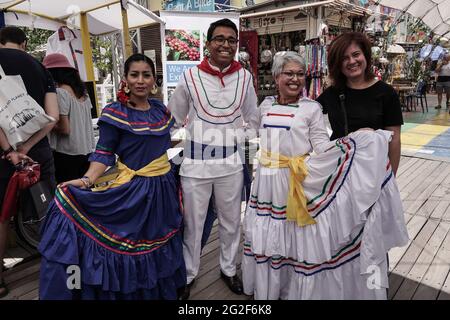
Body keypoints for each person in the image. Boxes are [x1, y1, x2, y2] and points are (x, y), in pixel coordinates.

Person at [241, 51, 409, 299]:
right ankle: (270, 290)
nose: (295, 79)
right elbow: (248, 131)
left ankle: (290, 289)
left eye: (300, 74)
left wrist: (354, 141)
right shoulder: (265, 105)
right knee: (269, 238)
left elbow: (321, 146)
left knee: (294, 238)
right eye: (289, 73)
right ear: (276, 77)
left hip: (295, 182)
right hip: (266, 183)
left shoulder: (312, 108)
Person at [38, 53, 186, 300]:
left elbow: (161, 143)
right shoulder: (116, 113)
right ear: (125, 79)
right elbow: (104, 153)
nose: (140, 80)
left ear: (154, 80)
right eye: (134, 75)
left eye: (146, 75)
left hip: (163, 189)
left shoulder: (160, 110)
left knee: (156, 243)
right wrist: (86, 180)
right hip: (134, 192)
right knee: (129, 247)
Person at [168, 18, 258, 299]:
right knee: (192, 224)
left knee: (232, 221)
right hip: (194, 164)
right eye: (220, 39)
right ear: (208, 44)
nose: (226, 45)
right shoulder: (190, 77)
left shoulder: (245, 77)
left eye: (232, 40)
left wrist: (238, 139)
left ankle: (229, 269)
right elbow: (172, 119)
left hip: (230, 164)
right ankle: (188, 274)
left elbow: (253, 118)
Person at [0, 26, 58, 299]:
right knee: (47, 207)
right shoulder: (40, 66)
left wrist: (13, 149)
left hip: (3, 155)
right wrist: (29, 147)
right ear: (24, 43)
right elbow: (53, 116)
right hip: (39, 151)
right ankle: (57, 265)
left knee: (1, 216)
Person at [316, 32, 403, 175]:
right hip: (337, 171)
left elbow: (394, 140)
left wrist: (390, 178)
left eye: (356, 54)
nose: (351, 61)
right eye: (344, 58)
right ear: (337, 63)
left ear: (365, 55)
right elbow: (307, 115)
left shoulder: (386, 93)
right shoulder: (331, 93)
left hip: (372, 171)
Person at [42, 53, 95, 183]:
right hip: (87, 152)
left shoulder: (60, 92)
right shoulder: (83, 93)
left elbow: (65, 129)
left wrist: (44, 124)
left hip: (67, 154)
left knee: (67, 197)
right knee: (84, 194)